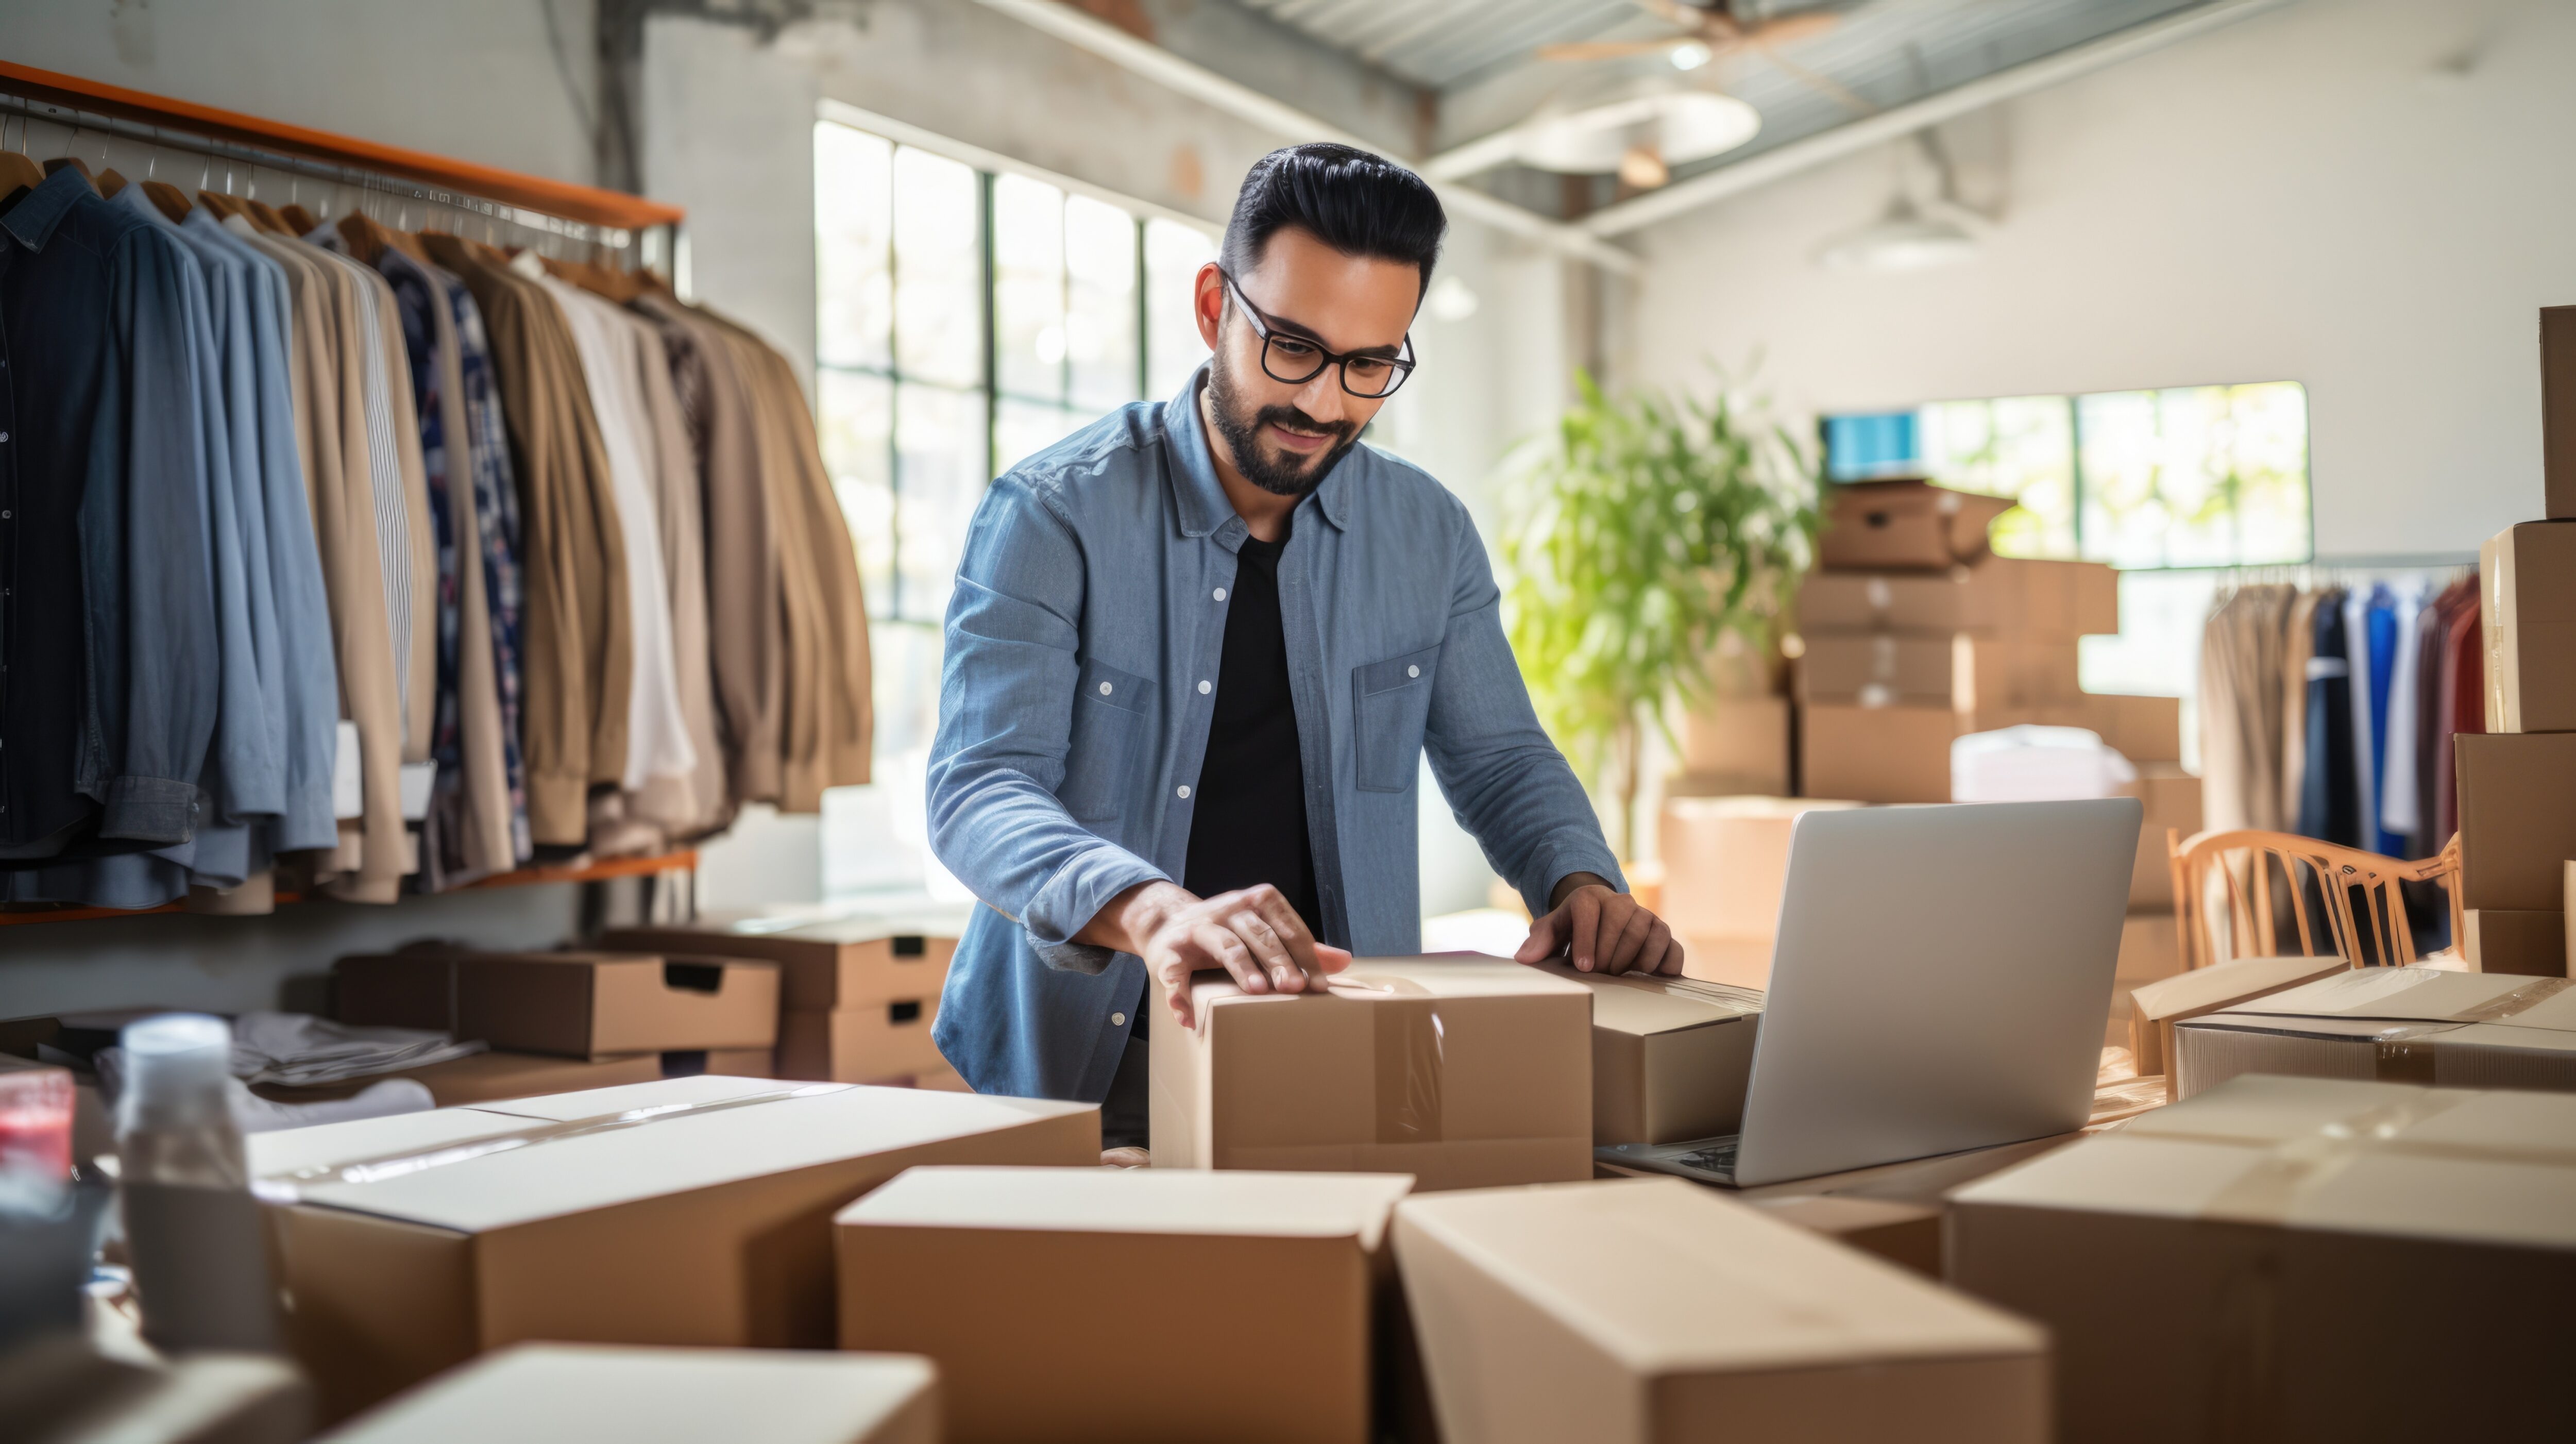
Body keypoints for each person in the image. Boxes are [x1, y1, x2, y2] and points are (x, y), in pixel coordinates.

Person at [927, 142, 1682, 1152]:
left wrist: (1579, 885)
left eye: (1370, 365)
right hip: (1088, 1058)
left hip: (1339, 1042)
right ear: (1212, 308)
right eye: (1292, 347)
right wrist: (1149, 909)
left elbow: (1499, 759)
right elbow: (980, 789)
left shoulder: (1427, 534)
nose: (1325, 404)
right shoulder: (1051, 514)